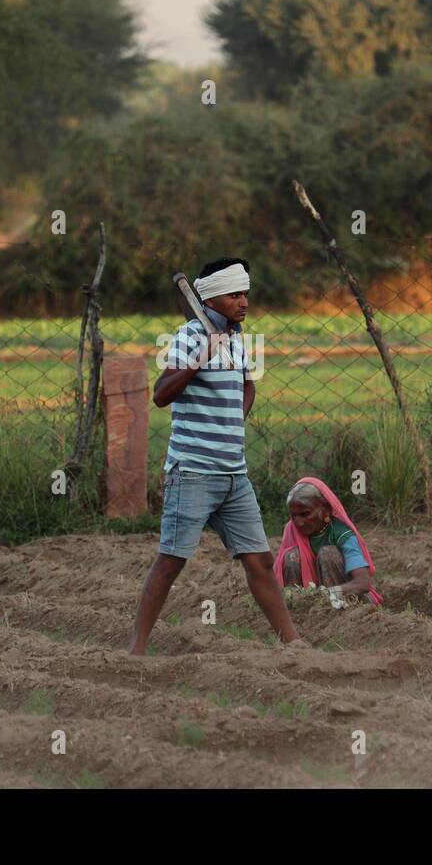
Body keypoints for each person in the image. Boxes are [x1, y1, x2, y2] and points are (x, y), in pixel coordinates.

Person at [127, 257, 305, 654]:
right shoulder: (189, 336)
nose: (244, 302)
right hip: (191, 472)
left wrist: (234, 422)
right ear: (210, 298)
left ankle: (293, 643)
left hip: (233, 475)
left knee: (258, 561)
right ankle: (136, 649)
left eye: (245, 294)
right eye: (234, 295)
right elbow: (161, 395)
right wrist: (199, 357)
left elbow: (247, 386)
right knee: (171, 561)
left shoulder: (238, 340)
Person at [274, 477, 383, 607]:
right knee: (291, 556)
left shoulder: (341, 533)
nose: (298, 522)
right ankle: (298, 611)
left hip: (350, 600)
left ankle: (334, 612)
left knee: (328, 553)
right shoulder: (291, 530)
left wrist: (329, 593)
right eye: (294, 516)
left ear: (325, 509)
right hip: (313, 601)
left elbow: (363, 582)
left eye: (305, 514)